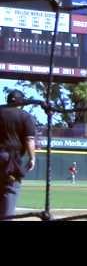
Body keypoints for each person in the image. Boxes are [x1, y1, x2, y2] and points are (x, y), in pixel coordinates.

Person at [0, 90, 36, 220]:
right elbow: (29, 139)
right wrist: (32, 158)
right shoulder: (25, 116)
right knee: (10, 190)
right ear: (21, 103)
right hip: (10, 159)